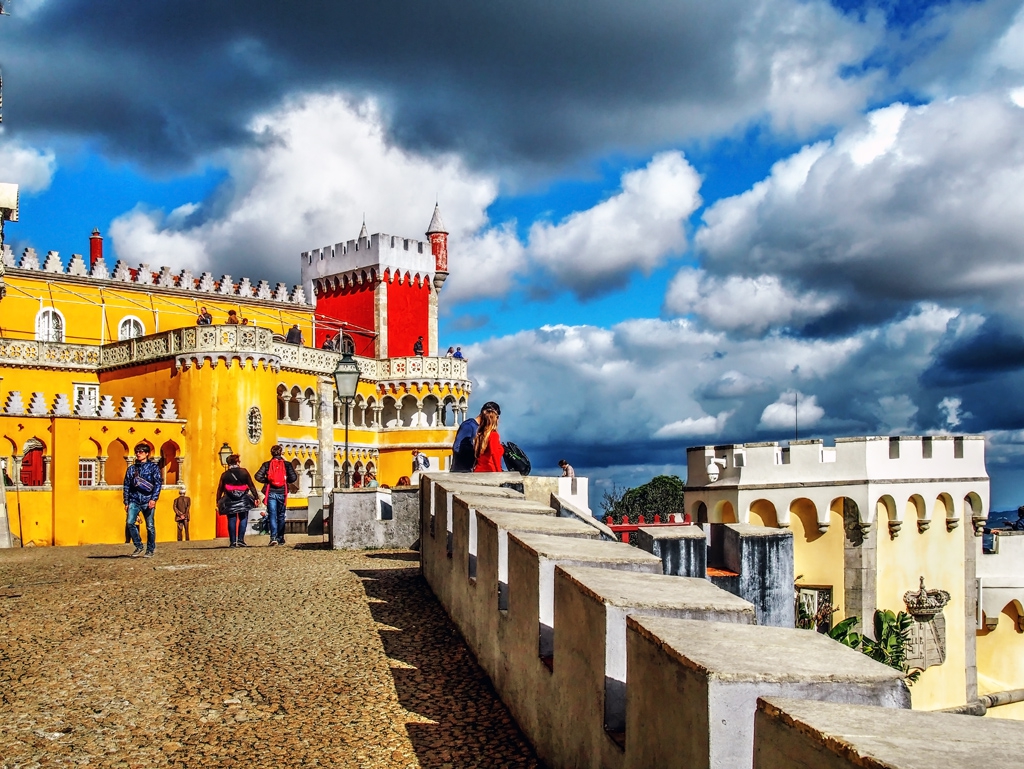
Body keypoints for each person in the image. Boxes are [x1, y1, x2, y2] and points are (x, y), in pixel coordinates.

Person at [123, 443, 162, 558]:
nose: (138, 454)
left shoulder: (153, 468)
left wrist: (154, 499)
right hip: (134, 500)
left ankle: (150, 549)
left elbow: (158, 484)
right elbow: (126, 486)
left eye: (140, 452)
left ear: (146, 453)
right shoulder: (132, 469)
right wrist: (126, 502)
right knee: (130, 522)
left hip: (147, 499)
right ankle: (138, 545)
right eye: (137, 452)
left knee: (150, 526)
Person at [254, 445, 297, 547]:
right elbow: (294, 477)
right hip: (282, 492)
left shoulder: (267, 464)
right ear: (281, 452)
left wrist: (268, 480)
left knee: (272, 515)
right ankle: (280, 537)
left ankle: (273, 538)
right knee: (281, 516)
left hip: (271, 493)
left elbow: (257, 476)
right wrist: (285, 481)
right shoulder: (287, 464)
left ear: (271, 453)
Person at [216, 454, 259, 548]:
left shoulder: (225, 475)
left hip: (230, 499)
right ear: (237, 462)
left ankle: (232, 542)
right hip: (243, 498)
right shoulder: (244, 472)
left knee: (231, 519)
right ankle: (240, 540)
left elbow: (220, 488)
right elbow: (251, 485)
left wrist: (218, 500)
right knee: (243, 518)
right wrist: (256, 497)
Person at [451, 401, 500, 473]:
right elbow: (457, 447)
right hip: (463, 471)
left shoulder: (483, 429)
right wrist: (477, 450)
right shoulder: (468, 426)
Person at [473, 408, 504, 473]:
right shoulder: (494, 435)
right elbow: (494, 454)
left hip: (478, 470)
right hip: (490, 470)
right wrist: (499, 472)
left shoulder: (480, 435)